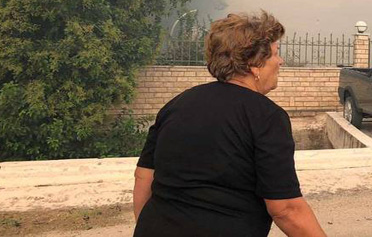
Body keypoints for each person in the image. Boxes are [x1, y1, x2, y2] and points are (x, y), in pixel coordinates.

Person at [133, 12, 327, 237]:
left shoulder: (176, 105)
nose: (280, 61)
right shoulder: (267, 117)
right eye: (275, 53)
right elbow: (286, 209)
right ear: (255, 64)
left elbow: (143, 177)